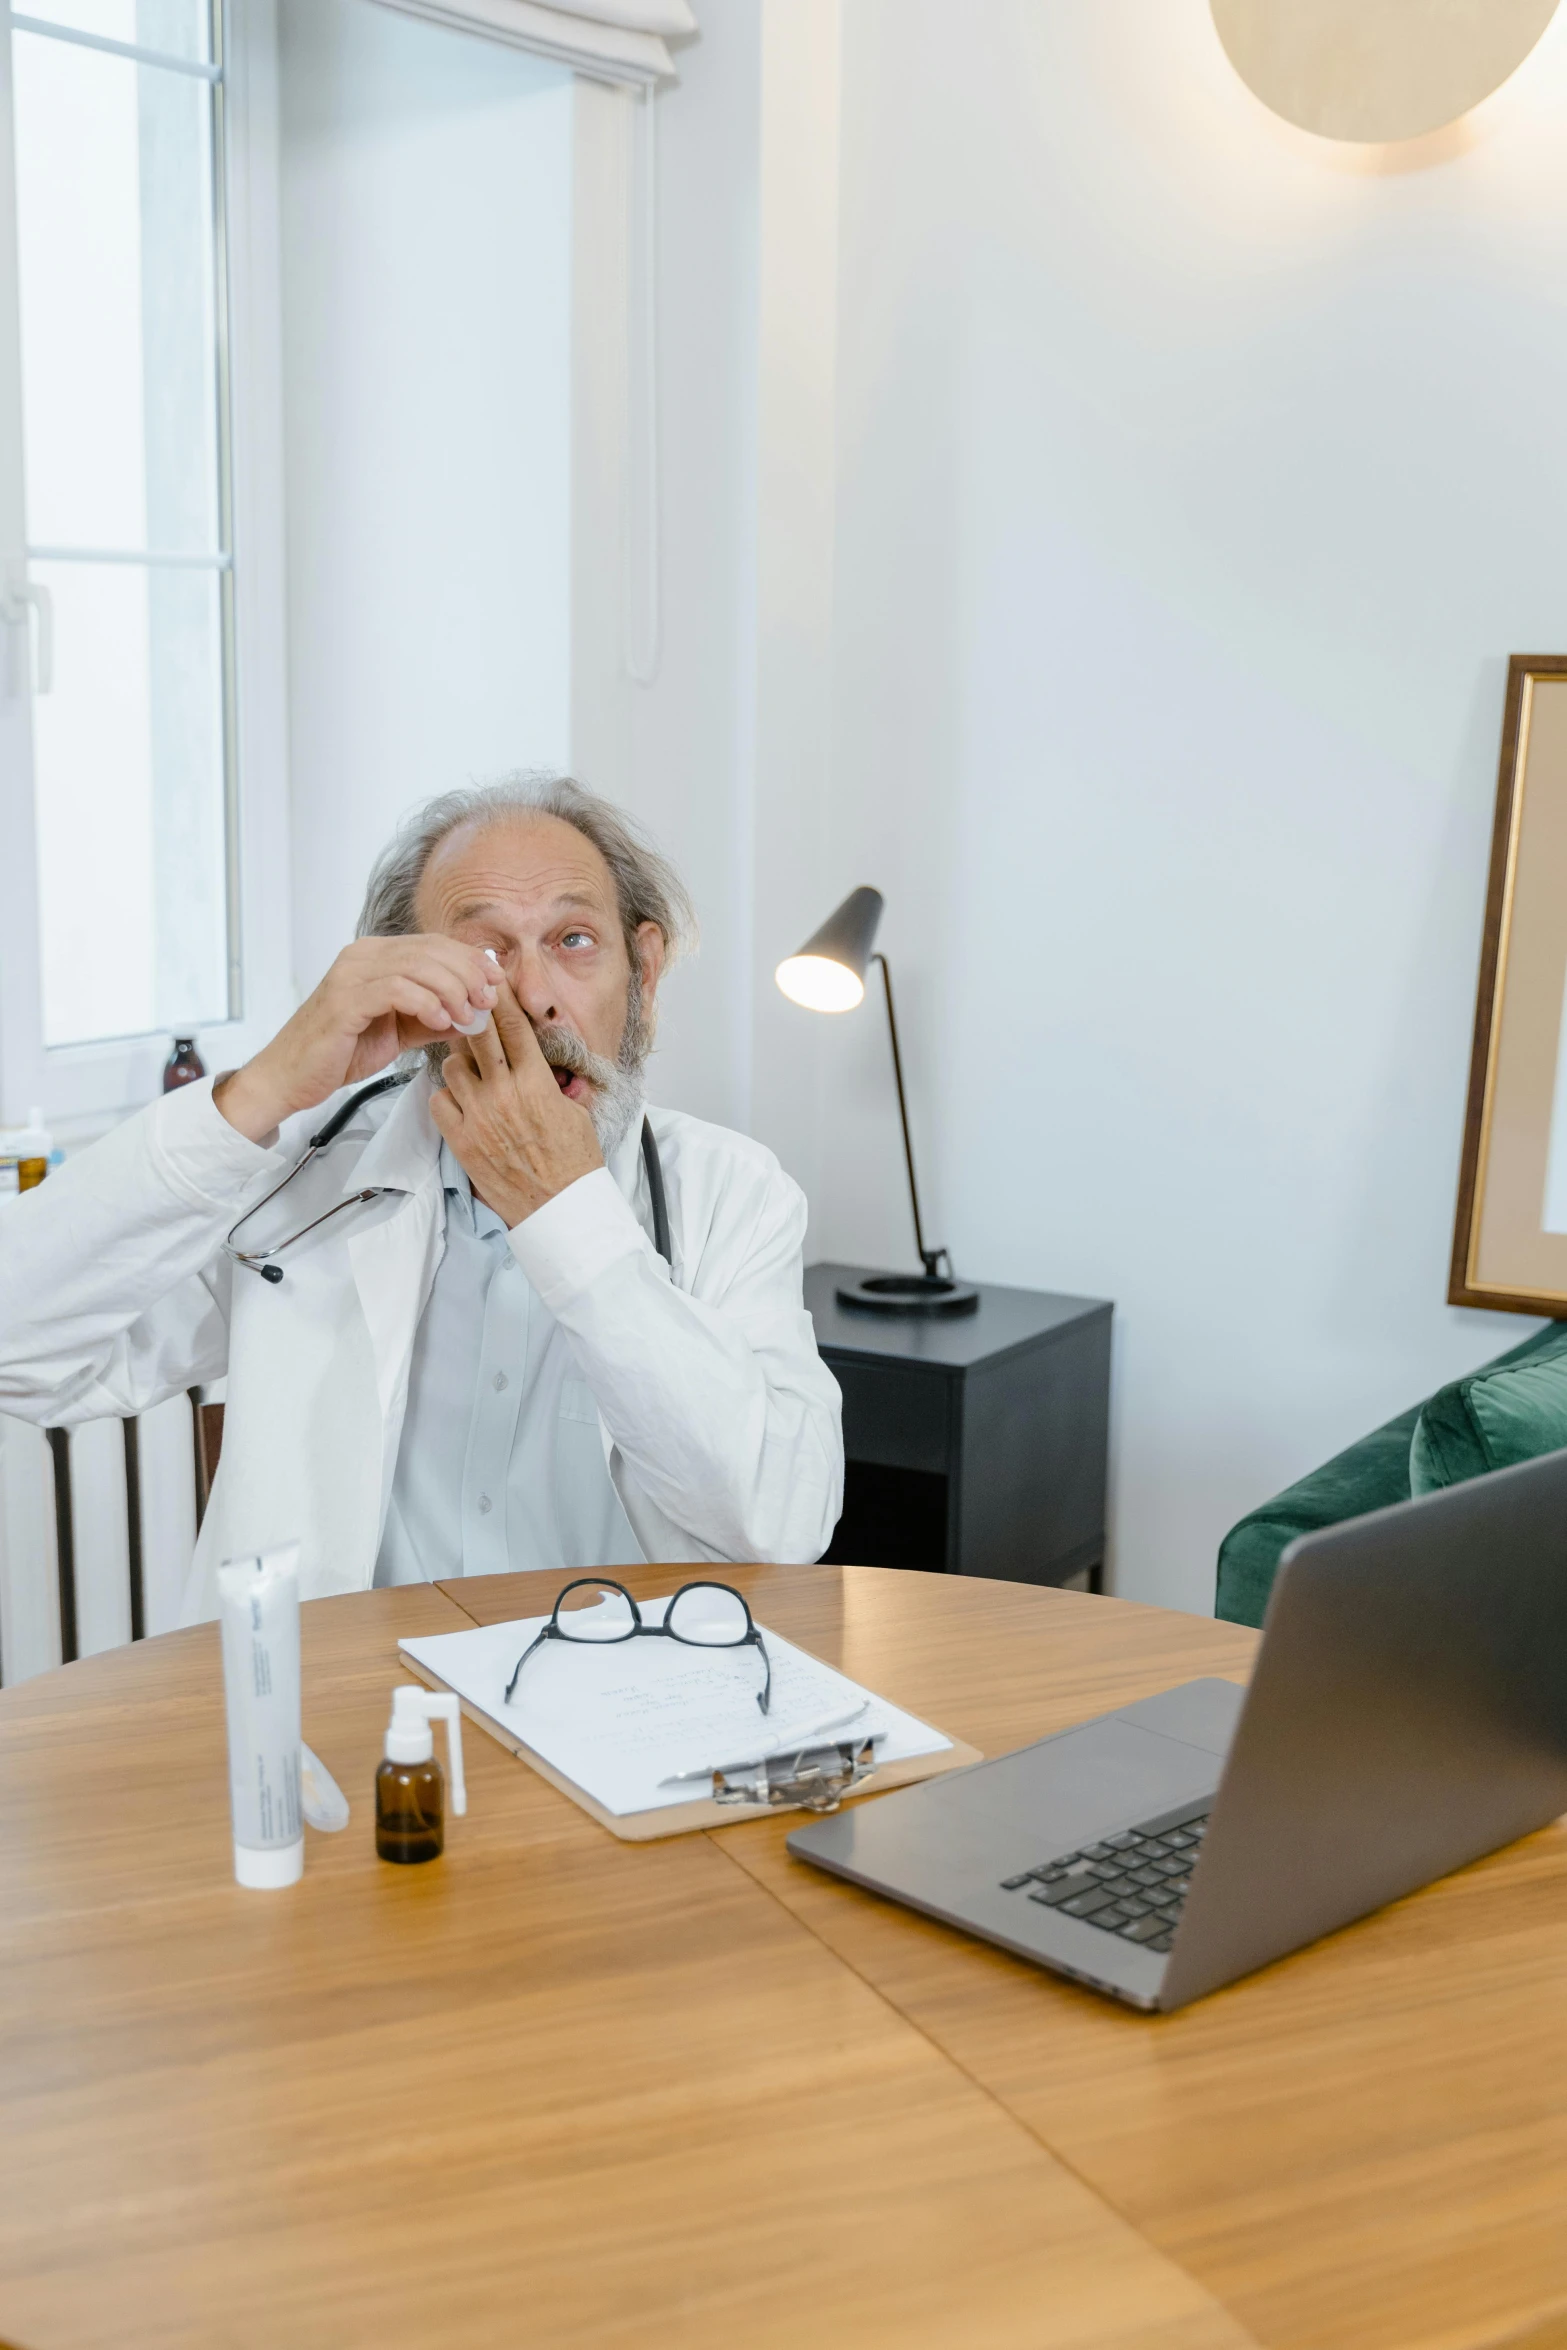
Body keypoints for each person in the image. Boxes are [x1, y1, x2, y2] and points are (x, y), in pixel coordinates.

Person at [0, 775, 843, 1616]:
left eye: (575, 939)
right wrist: (260, 1091)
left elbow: (778, 1522)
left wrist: (565, 1210)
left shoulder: (735, 1194)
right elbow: (19, 1349)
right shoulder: (300, 1174)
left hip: (618, 1713)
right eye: (484, 955)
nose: (536, 995)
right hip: (350, 1721)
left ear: (645, 972)